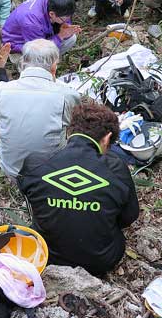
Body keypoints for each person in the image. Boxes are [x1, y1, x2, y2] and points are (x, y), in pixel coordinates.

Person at [18, 103, 139, 276]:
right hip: (101, 260)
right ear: (107, 138)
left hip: (46, 254)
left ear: (69, 131)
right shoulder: (116, 170)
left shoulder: (36, 163)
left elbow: (28, 195)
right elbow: (129, 216)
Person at [0, 39, 81, 179]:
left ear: (22, 63)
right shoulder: (67, 95)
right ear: (54, 67)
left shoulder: (0, 89)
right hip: (51, 174)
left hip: (11, 169)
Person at [2, 0, 81, 62]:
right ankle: (37, 67)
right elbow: (38, 49)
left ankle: (49, 60)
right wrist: (60, 36)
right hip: (20, 46)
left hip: (40, 36)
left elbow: (64, 18)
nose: (67, 20)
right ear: (52, 14)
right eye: (65, 19)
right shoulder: (31, 21)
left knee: (71, 38)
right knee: (39, 57)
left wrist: (67, 28)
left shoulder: (51, 0)